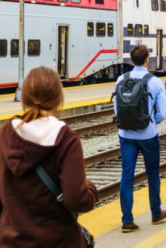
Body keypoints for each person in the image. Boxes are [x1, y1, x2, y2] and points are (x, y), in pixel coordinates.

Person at [0, 66, 98, 247]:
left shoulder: (5, 136)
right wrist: (90, 189)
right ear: (58, 100)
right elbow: (76, 199)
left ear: (25, 99)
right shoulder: (67, 140)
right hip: (59, 241)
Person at [115, 44, 166, 232]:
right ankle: (155, 213)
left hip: (126, 135)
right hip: (148, 135)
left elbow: (117, 110)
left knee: (127, 176)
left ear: (132, 59)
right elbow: (163, 112)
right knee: (152, 174)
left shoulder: (121, 79)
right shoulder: (154, 82)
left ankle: (127, 220)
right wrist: (152, 121)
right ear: (147, 59)